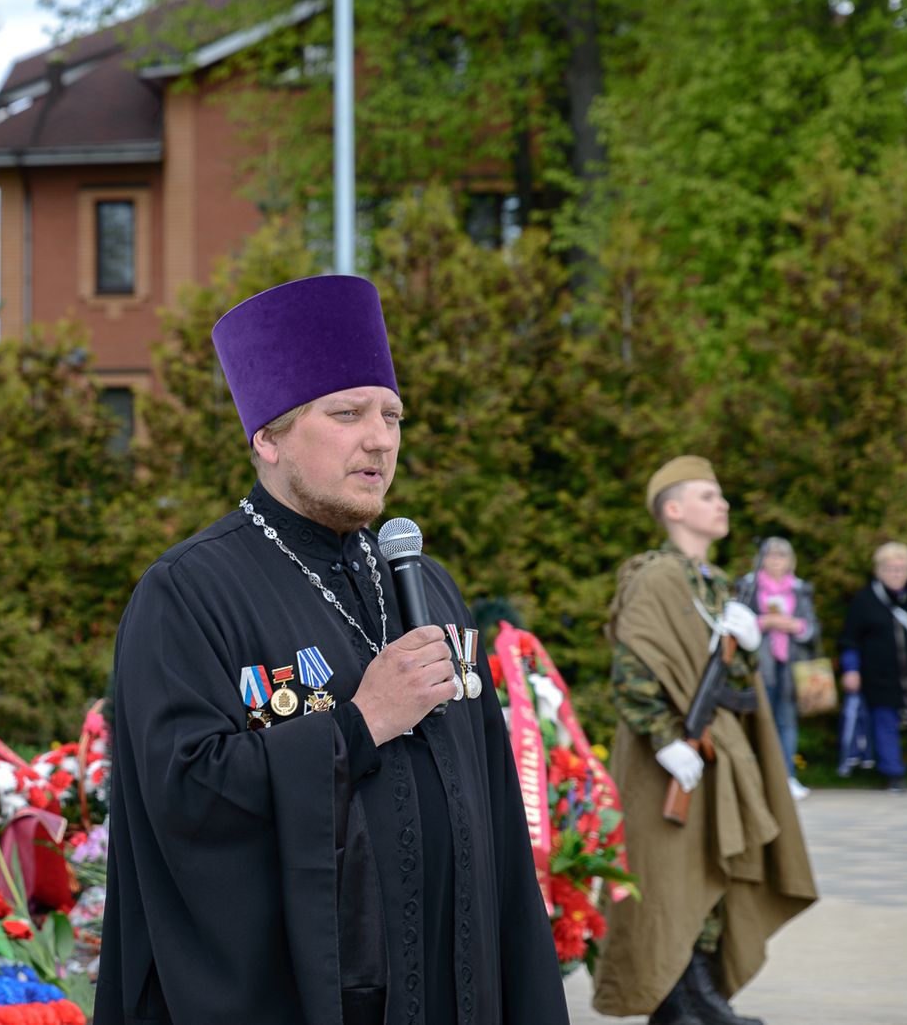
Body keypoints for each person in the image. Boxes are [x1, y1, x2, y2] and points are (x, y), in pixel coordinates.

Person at [95, 275, 567, 1025]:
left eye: (391, 415)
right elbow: (182, 795)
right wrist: (358, 724)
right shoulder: (188, 592)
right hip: (298, 998)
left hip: (452, 988)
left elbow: (492, 809)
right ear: (268, 437)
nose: (379, 438)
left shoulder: (426, 584)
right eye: (346, 414)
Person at [593, 457, 817, 1025]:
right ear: (673, 509)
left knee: (707, 878)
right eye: (707, 495)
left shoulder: (714, 583)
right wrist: (666, 739)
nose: (722, 504)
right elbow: (632, 668)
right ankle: (674, 1002)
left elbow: (734, 687)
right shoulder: (656, 577)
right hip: (663, 758)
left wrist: (748, 649)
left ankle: (700, 1000)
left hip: (712, 755)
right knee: (668, 881)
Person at [839, 542, 907, 792]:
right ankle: (893, 775)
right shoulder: (865, 600)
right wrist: (851, 669)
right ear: (878, 570)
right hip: (880, 677)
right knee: (883, 724)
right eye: (890, 568)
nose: (896, 573)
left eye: (901, 568)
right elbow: (849, 639)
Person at [732, 538, 820, 800]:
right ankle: (758, 777)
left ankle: (787, 776)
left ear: (789, 561)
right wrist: (764, 622)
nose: (775, 561)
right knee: (760, 718)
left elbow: (812, 627)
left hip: (791, 664)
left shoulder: (800, 589)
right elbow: (737, 622)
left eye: (781, 556)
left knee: (786, 720)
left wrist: (795, 626)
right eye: (770, 556)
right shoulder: (748, 585)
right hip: (761, 663)